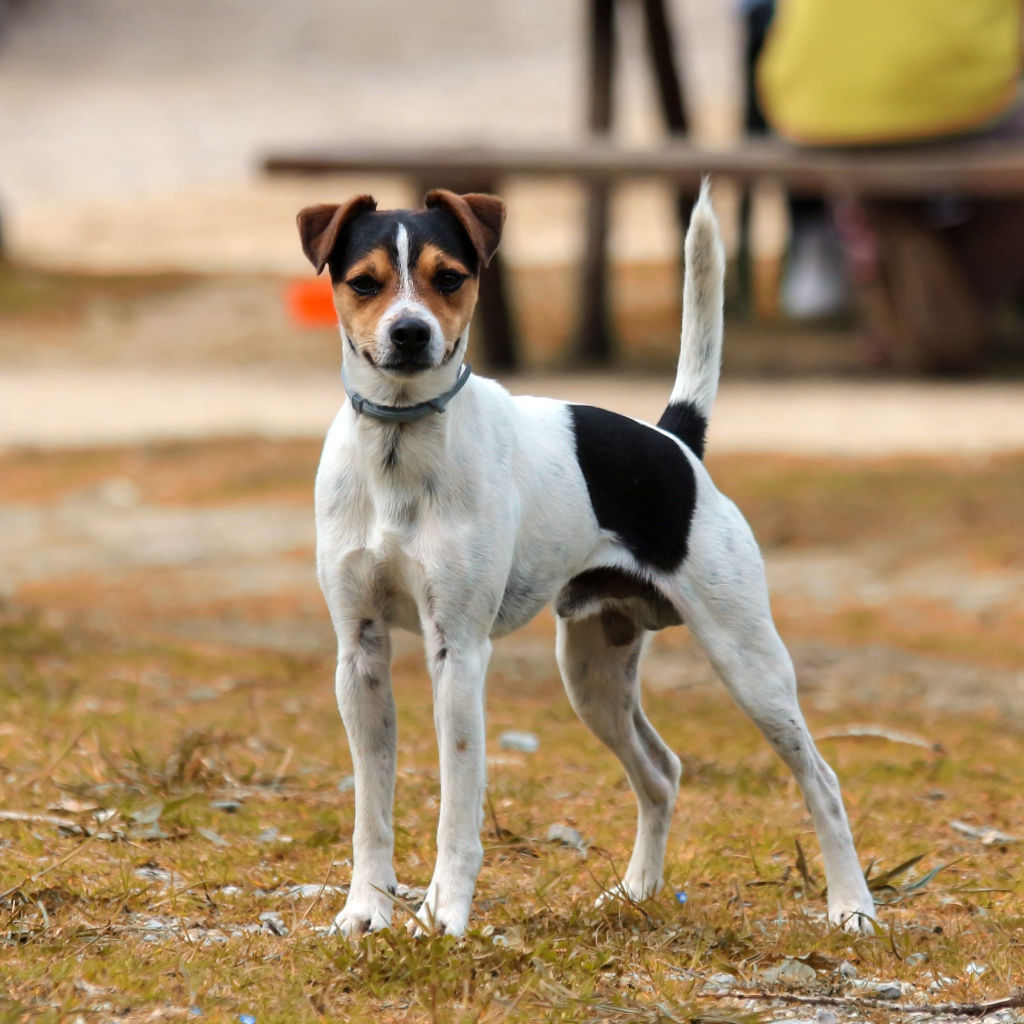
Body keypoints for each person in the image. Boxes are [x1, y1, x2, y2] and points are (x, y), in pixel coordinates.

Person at [747, 0, 1024, 371]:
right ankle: (942, 304)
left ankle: (909, 298)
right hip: (963, 97)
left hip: (811, 101)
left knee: (874, 166)